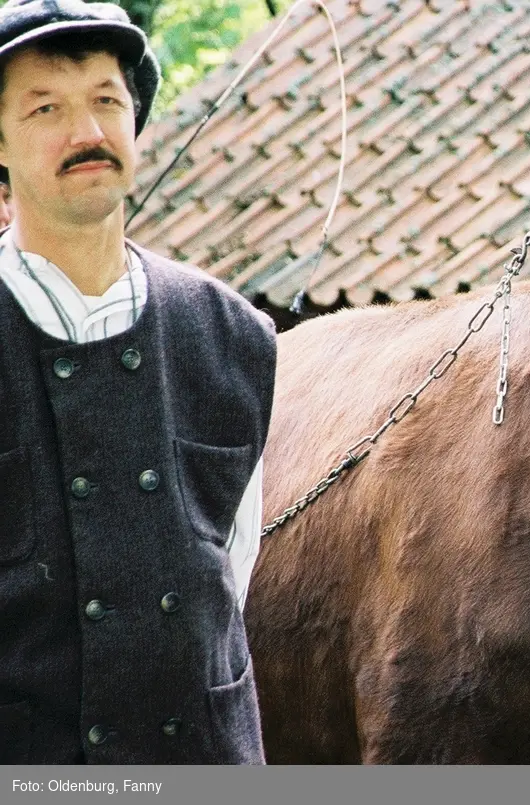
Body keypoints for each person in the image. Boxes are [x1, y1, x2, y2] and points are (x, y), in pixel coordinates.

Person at [0, 0, 275, 764]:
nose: (86, 131)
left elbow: (228, 586)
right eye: (46, 107)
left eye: (106, 101)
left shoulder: (233, 338)